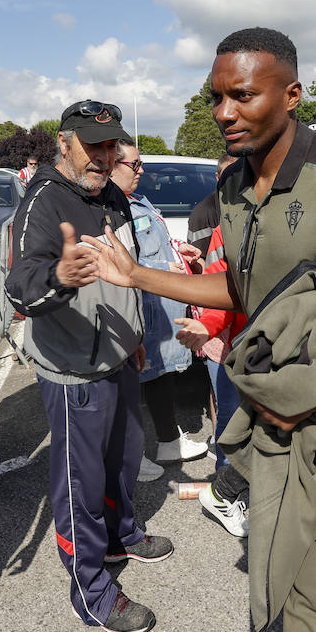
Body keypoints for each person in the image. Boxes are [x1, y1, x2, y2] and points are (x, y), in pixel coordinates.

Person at [82, 28, 316, 632]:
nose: (224, 113)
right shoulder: (232, 186)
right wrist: (137, 277)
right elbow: (243, 288)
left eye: (243, 96)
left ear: (293, 95)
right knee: (314, 572)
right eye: (217, 97)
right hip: (276, 411)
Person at [4, 99, 173, 632]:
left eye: (110, 145)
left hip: (120, 357)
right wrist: (59, 274)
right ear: (64, 142)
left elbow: (129, 273)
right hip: (75, 369)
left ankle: (123, 532)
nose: (104, 155)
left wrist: (138, 337)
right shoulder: (43, 202)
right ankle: (91, 589)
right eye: (92, 145)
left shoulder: (113, 196)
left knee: (123, 461)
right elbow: (22, 284)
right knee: (81, 482)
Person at [110, 140, 208, 482]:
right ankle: (130, 456)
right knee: (131, 381)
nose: (142, 171)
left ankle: (167, 440)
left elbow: (152, 248)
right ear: (112, 164)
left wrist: (179, 253)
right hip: (139, 307)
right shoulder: (110, 208)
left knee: (159, 373)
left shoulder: (138, 200)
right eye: (135, 165)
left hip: (161, 307)